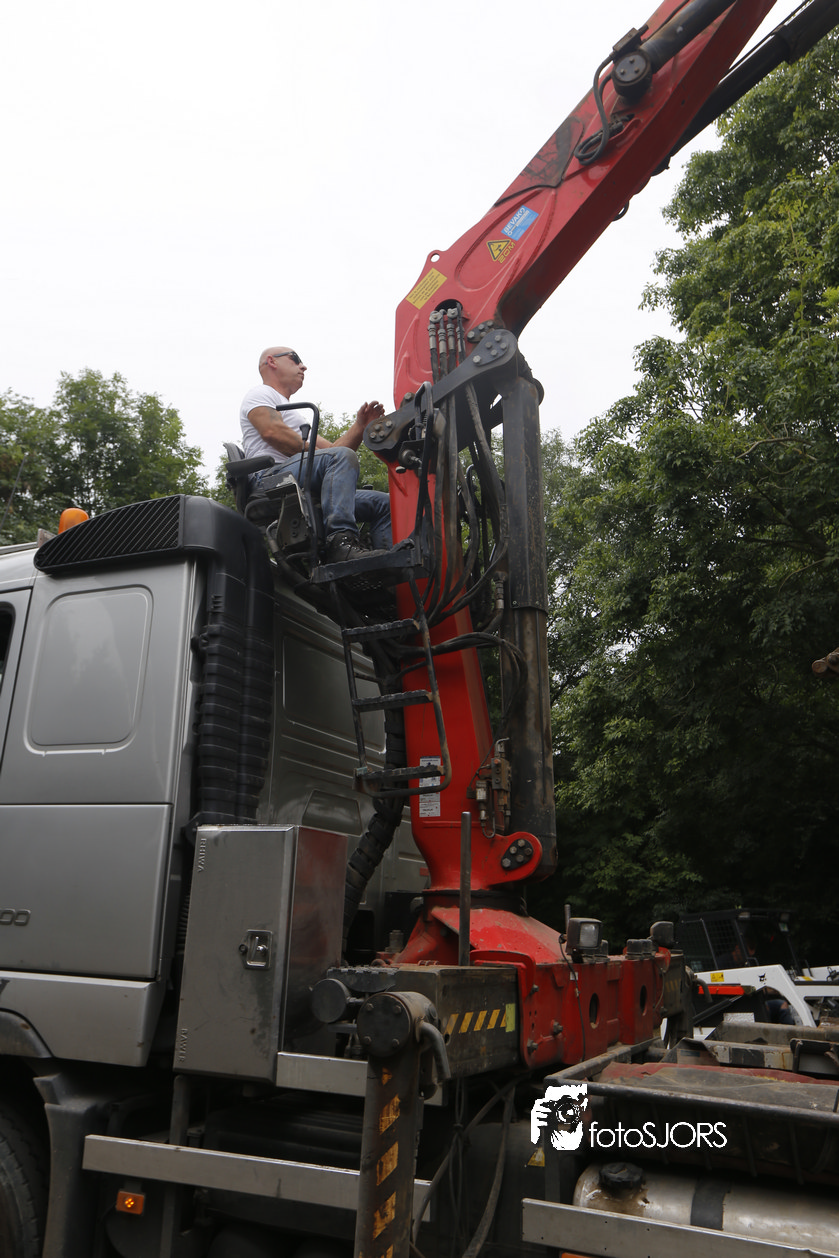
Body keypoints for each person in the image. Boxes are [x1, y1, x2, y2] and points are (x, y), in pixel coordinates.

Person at [240, 346, 391, 563]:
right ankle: (341, 543)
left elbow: (334, 451)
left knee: (383, 503)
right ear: (271, 362)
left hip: (298, 481)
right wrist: (331, 457)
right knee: (337, 458)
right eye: (295, 359)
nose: (303, 366)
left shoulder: (293, 415)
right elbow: (272, 432)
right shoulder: (261, 394)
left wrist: (360, 426)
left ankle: (386, 565)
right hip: (270, 481)